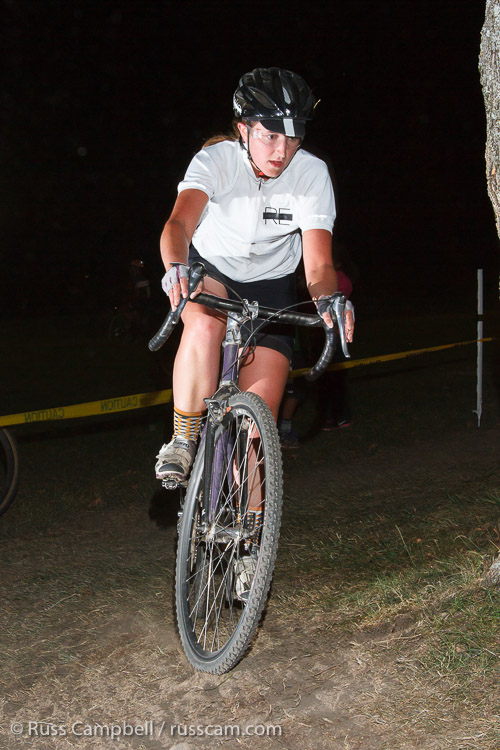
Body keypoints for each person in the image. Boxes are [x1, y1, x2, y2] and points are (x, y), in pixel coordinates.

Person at [154, 67, 354, 489]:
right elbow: (178, 226)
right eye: (271, 136)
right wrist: (175, 267)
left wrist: (329, 299)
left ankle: (251, 531)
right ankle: (183, 438)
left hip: (272, 288)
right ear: (244, 129)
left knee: (255, 440)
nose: (283, 151)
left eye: (294, 138)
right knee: (205, 324)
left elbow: (318, 266)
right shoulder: (216, 160)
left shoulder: (311, 173)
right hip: (213, 270)